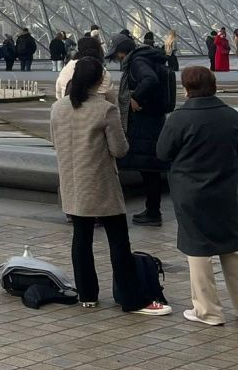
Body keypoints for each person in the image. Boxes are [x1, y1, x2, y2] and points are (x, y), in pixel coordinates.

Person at [51, 56, 170, 316]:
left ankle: (87, 295)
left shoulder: (58, 108)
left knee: (81, 239)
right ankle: (131, 298)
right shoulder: (105, 109)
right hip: (100, 182)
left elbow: (57, 142)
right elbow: (119, 148)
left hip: (72, 182)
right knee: (118, 241)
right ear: (98, 81)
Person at [157, 67, 238, 326]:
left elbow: (162, 152)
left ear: (187, 88)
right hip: (226, 190)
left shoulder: (180, 118)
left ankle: (208, 311)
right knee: (232, 248)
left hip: (190, 193)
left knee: (198, 250)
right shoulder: (230, 116)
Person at [108, 33, 170, 226]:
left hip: (145, 122)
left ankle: (153, 212)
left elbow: (149, 80)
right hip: (153, 118)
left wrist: (136, 98)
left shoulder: (137, 61)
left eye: (117, 54)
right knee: (150, 168)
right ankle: (152, 210)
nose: (117, 59)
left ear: (121, 51)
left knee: (148, 169)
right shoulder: (147, 57)